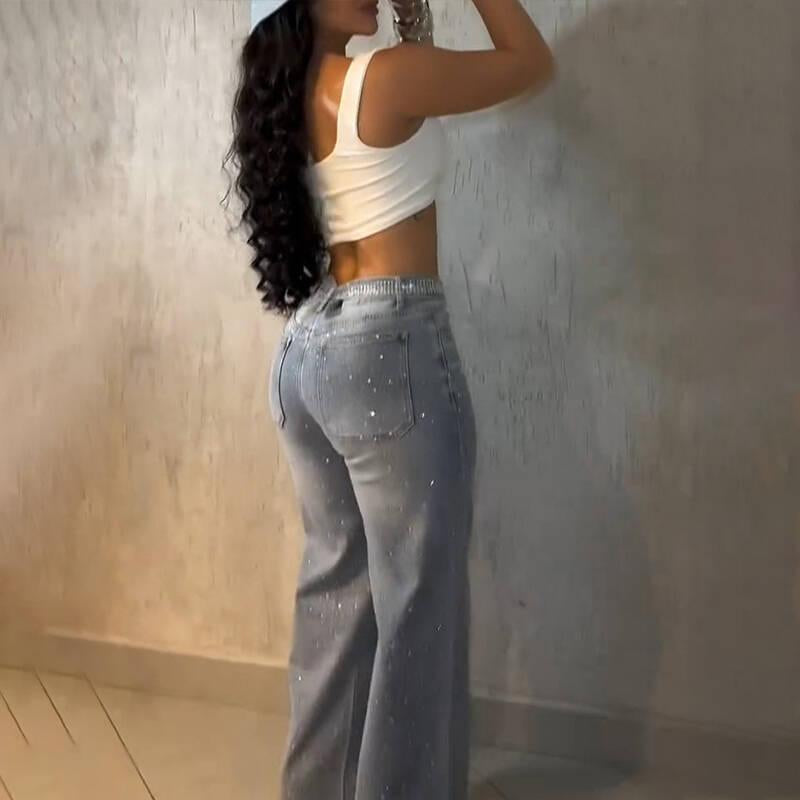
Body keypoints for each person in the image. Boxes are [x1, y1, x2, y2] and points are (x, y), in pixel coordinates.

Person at [224, 1, 555, 797]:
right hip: (388, 349)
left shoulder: (291, 96)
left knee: (338, 599)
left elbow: (407, 109)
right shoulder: (390, 78)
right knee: (417, 605)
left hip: (310, 353)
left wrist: (414, 18)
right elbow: (530, 61)